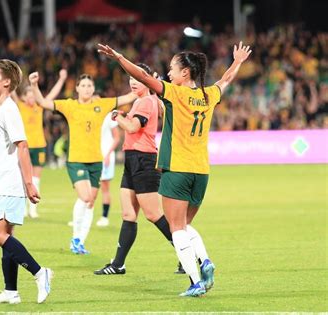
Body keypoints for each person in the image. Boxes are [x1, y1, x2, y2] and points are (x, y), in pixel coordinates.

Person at [97, 42, 252, 296]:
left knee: (176, 227)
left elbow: (143, 76)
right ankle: (206, 262)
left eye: (172, 69)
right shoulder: (209, 95)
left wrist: (119, 56)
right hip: (201, 171)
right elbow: (226, 79)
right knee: (185, 225)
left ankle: (196, 282)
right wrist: (238, 61)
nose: (168, 73)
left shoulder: (174, 94)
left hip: (177, 168)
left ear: (185, 73)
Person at [29, 72, 136, 254]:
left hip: (96, 161)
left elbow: (131, 96)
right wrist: (34, 85)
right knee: (85, 197)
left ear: (93, 88)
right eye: (83, 85)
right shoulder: (69, 106)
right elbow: (44, 103)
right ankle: (75, 237)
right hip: (76, 161)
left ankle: (80, 241)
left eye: (89, 85)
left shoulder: (101, 104)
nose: (87, 88)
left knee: (91, 201)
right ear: (77, 88)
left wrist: (142, 80)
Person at [93, 64, 175, 275]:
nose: (132, 81)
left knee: (153, 214)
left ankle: (187, 254)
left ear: (146, 80)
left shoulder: (146, 101)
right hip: (132, 160)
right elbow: (134, 124)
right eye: (130, 78)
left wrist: (116, 117)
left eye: (137, 78)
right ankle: (118, 264)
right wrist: (124, 115)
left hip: (143, 160)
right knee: (128, 214)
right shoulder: (143, 101)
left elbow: (132, 128)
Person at [0, 59, 52, 305]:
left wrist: (30, 183)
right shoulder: (0, 110)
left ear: (6, 81)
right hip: (3, 182)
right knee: (6, 236)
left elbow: (23, 146)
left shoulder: (9, 110)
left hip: (9, 184)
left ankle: (40, 272)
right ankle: (11, 291)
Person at [11, 69, 68, 219]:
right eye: (28, 95)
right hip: (24, 147)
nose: (31, 98)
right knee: (24, 178)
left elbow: (52, 95)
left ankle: (33, 209)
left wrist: (61, 79)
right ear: (23, 97)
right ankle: (22, 208)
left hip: (39, 145)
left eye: (32, 95)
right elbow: (11, 91)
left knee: (36, 178)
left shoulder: (39, 106)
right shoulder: (19, 106)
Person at [96, 111, 120, 227]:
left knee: (104, 188)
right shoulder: (89, 112)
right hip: (93, 156)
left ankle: (104, 217)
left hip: (106, 156)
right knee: (89, 187)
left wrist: (108, 155)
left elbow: (117, 138)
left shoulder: (109, 115)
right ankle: (82, 218)